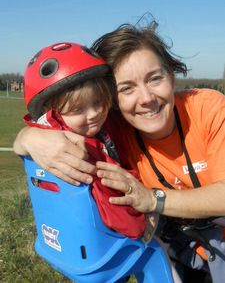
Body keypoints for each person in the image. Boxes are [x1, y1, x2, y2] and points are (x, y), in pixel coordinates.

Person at [14, 18, 225, 282]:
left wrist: (152, 200)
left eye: (155, 78)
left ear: (171, 76)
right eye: (127, 88)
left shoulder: (207, 109)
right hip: (180, 247)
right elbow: (48, 127)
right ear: (113, 98)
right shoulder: (114, 127)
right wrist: (29, 137)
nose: (146, 99)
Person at [20, 41, 147, 240]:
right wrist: (145, 224)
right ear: (50, 111)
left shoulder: (98, 130)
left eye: (98, 102)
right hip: (110, 239)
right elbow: (112, 203)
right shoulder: (79, 152)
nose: (95, 113)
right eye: (78, 109)